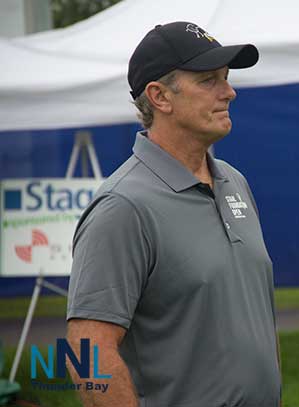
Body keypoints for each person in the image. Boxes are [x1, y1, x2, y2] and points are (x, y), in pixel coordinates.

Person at [66, 22, 281, 407]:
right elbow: (86, 353)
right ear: (160, 96)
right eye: (208, 80)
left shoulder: (234, 182)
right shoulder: (122, 207)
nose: (229, 92)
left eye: (226, 79)